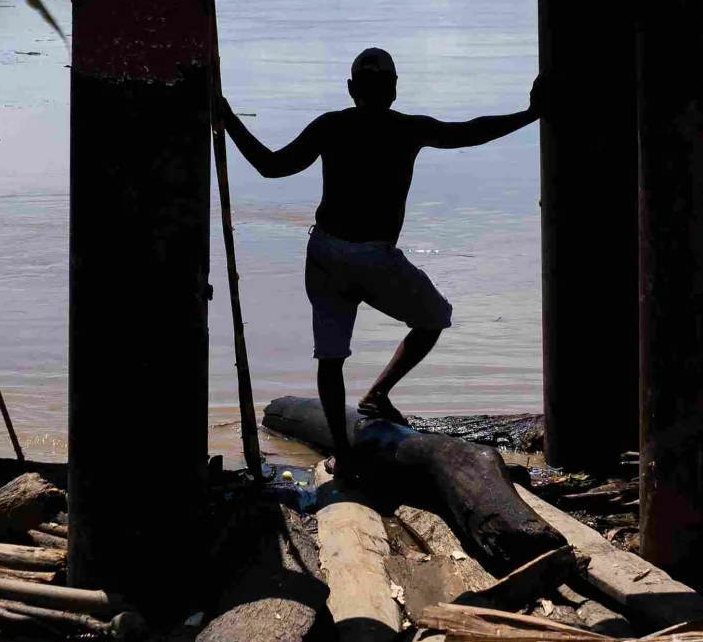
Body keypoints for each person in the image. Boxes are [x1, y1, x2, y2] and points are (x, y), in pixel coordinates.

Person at [219, 47, 543, 467]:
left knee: (331, 356)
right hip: (373, 259)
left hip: (327, 253)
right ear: (393, 89)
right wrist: (530, 114)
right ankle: (375, 397)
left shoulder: (333, 125)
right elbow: (470, 131)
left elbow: (270, 165)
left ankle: (343, 451)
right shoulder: (405, 129)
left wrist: (228, 117)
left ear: (351, 89)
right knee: (433, 318)